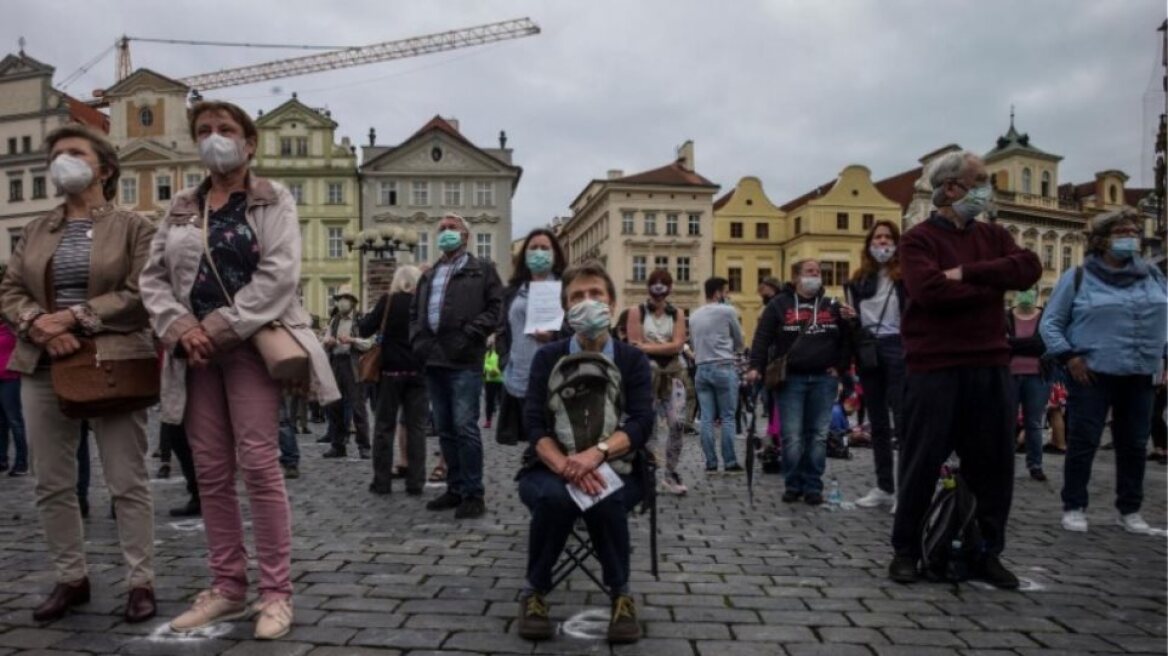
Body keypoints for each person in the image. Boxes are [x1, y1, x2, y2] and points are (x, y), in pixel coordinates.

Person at [140, 100, 339, 639]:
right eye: (204, 130)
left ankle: (276, 592)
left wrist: (219, 326)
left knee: (258, 464)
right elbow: (153, 277)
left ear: (249, 144)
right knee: (209, 470)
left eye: (225, 129)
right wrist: (181, 327)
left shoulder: (274, 198)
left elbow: (280, 273)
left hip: (251, 344)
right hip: (195, 354)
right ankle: (228, 587)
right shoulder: (182, 204)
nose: (214, 137)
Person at [0, 124, 158, 623]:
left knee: (126, 480)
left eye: (73, 152)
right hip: (43, 364)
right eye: (56, 155)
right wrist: (40, 327)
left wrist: (73, 318)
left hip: (114, 360)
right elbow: (10, 289)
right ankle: (71, 577)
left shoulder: (134, 226)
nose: (61, 161)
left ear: (104, 168)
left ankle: (140, 581)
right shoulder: (35, 229)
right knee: (51, 481)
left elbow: (140, 292)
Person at [889, 150, 1041, 589]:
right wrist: (992, 286)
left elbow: (1028, 268)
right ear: (953, 187)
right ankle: (906, 550)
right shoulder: (918, 240)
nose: (987, 189)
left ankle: (985, 551)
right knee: (921, 462)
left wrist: (967, 273)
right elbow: (929, 291)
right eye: (981, 180)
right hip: (935, 365)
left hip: (989, 363)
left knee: (993, 466)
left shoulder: (994, 235)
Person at [515, 261, 653, 645]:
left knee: (605, 496)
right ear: (565, 308)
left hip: (619, 466)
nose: (588, 302)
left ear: (612, 304)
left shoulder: (631, 359)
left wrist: (596, 455)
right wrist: (566, 466)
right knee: (556, 498)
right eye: (577, 296)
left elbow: (642, 423)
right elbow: (534, 425)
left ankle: (621, 595)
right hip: (550, 466)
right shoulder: (548, 357)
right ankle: (534, 592)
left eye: (596, 294)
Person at [1039, 208, 1168, 534]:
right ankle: (1074, 506)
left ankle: (1130, 510)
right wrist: (1069, 357)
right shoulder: (1079, 276)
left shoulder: (1152, 275)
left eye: (1133, 231)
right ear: (1102, 240)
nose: (1130, 237)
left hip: (1141, 369)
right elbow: (1050, 323)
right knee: (1084, 440)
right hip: (1092, 371)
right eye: (1121, 232)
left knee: (1134, 443)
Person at [411, 213, 503, 519]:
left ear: (466, 236)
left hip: (464, 359)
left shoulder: (482, 270)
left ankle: (473, 493)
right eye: (442, 229)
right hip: (434, 359)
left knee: (465, 427)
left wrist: (470, 334)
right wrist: (419, 342)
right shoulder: (429, 274)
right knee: (446, 429)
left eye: (452, 228)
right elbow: (415, 313)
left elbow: (496, 310)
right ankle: (455, 487)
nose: (446, 232)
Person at [746, 260, 854, 505]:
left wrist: (840, 367)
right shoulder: (779, 304)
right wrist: (755, 367)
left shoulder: (832, 305)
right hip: (791, 379)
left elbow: (847, 339)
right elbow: (762, 337)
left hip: (824, 379)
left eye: (818, 272)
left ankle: (813, 485)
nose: (815, 276)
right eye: (809, 272)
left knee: (818, 436)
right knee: (792, 436)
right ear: (796, 277)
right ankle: (793, 484)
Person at [844, 220, 907, 509]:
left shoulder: (905, 276)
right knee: (878, 422)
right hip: (869, 348)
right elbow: (856, 319)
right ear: (869, 244)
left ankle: (905, 489)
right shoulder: (859, 280)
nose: (882, 242)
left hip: (897, 345)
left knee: (903, 421)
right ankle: (884, 486)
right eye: (877, 238)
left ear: (896, 243)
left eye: (887, 237)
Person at [496, 228, 570, 447]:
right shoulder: (513, 291)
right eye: (533, 248)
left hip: (557, 375)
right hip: (520, 375)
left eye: (544, 248)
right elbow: (502, 330)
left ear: (555, 254)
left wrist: (555, 335)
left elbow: (577, 327)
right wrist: (504, 360)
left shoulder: (567, 287)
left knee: (556, 438)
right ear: (524, 254)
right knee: (532, 436)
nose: (539, 252)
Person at [361, 265, 427, 496]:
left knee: (384, 427)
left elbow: (364, 329)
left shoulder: (388, 301)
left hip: (391, 372)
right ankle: (415, 482)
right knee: (416, 428)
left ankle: (382, 481)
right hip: (418, 372)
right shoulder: (423, 304)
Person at [626, 270, 689, 495]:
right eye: (655, 283)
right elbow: (634, 345)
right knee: (649, 427)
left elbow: (678, 345)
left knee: (677, 424)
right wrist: (665, 347)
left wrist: (648, 346)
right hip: (647, 376)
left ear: (670, 288)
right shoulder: (637, 311)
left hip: (673, 374)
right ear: (648, 286)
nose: (659, 287)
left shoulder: (677, 313)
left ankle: (670, 473)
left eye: (664, 283)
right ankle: (648, 474)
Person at [689, 276, 744, 473]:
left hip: (701, 367)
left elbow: (693, 343)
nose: (727, 296)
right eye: (726, 292)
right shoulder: (727, 311)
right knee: (728, 417)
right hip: (723, 365)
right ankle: (729, 462)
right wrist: (736, 349)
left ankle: (711, 463)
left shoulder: (694, 315)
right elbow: (739, 338)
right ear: (718, 293)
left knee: (706, 418)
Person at [322, 286, 372, 459]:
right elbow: (325, 339)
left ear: (352, 301)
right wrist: (328, 341)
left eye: (345, 298)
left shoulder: (360, 320)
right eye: (339, 298)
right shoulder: (334, 320)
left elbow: (368, 343)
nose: (341, 302)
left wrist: (352, 340)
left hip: (354, 365)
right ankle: (338, 445)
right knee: (334, 406)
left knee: (358, 407)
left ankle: (364, 446)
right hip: (336, 362)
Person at [1006, 288, 1051, 482]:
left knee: (1034, 423)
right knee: (1007, 422)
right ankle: (1005, 463)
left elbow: (1042, 345)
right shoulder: (1007, 316)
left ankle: (1035, 465)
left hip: (1037, 377)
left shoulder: (1044, 316)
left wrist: (1014, 343)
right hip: (1009, 376)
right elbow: (1003, 345)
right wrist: (1029, 344)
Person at [0, 321, 28, 476]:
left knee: (15, 420)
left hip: (11, 378)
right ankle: (2, 460)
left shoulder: (12, 329)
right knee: (0, 423)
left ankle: (22, 462)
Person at [483, 341, 503, 429]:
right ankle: (488, 421)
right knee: (489, 401)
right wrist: (491, 369)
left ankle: (503, 422)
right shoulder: (488, 353)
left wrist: (497, 371)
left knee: (502, 402)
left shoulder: (503, 353)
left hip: (501, 379)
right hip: (490, 380)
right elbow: (484, 363)